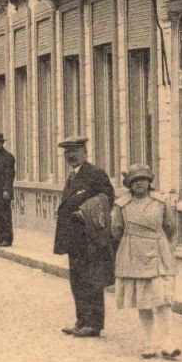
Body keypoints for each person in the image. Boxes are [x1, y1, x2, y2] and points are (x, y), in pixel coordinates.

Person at [111, 164, 181, 360]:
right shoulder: (122, 205)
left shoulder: (160, 202)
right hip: (133, 254)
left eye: (143, 179)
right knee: (144, 300)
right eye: (134, 181)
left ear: (149, 182)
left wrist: (164, 245)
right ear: (129, 185)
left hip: (159, 253)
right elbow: (115, 230)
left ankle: (167, 343)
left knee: (163, 300)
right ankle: (149, 342)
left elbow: (171, 226)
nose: (139, 184)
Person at [54, 137, 115, 337]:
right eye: (68, 152)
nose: (71, 156)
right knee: (77, 280)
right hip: (74, 239)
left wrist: (86, 211)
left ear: (85, 152)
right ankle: (81, 321)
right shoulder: (72, 176)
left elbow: (107, 198)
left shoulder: (95, 174)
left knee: (92, 281)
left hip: (89, 238)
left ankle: (94, 324)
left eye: (75, 151)